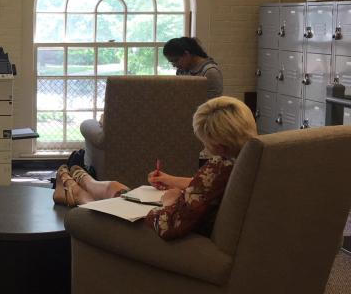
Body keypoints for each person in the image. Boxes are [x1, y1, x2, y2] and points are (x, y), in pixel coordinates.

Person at [53, 96, 257, 240]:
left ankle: (76, 191)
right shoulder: (248, 160)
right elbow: (212, 188)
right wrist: (171, 180)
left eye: (206, 143)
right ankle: (83, 181)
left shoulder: (217, 168)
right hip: (184, 215)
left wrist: (169, 200)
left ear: (220, 146)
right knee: (118, 189)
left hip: (165, 227)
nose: (204, 147)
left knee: (109, 206)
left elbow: (168, 228)